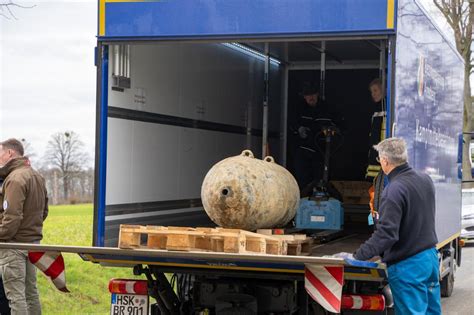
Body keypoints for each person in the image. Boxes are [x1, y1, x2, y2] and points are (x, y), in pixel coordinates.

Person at [351, 138, 441, 314]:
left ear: (384, 161)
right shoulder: (425, 180)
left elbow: (387, 234)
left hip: (408, 265)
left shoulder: (394, 190)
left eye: (379, 160)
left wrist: (358, 256)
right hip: (429, 259)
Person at [0, 139, 48, 315]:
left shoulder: (14, 178)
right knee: (31, 294)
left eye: (0, 153)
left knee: (16, 297)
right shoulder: (37, 176)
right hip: (33, 244)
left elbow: (11, 219)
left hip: (13, 246)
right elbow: (44, 212)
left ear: (10, 153)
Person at [291, 83, 342, 192]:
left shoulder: (327, 108)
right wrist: (299, 128)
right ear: (304, 96)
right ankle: (304, 203)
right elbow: (291, 123)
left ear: (317, 94)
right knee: (303, 180)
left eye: (313, 94)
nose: (311, 97)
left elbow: (339, 125)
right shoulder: (299, 109)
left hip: (321, 152)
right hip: (303, 151)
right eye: (308, 95)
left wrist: (332, 130)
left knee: (321, 180)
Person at [366, 78, 387, 225]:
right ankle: (374, 218)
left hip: (382, 159)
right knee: (374, 190)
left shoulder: (386, 109)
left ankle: (378, 220)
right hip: (375, 159)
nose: (373, 94)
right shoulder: (376, 110)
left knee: (380, 191)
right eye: (371, 92)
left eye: (375, 90)